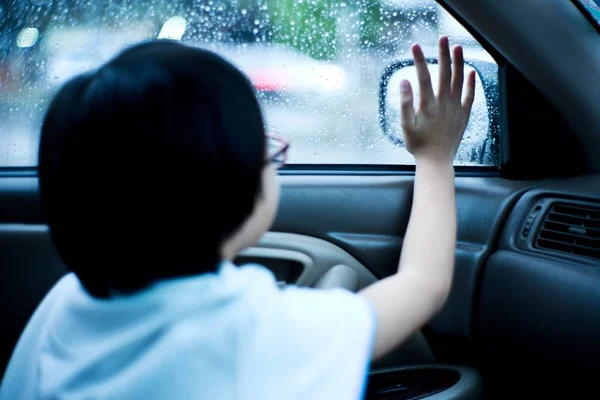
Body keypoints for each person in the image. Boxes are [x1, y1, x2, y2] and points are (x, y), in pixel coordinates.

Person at [0, 36, 475, 399]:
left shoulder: (63, 304)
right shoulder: (260, 330)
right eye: (264, 147)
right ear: (224, 182)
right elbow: (424, 283)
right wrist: (434, 157)